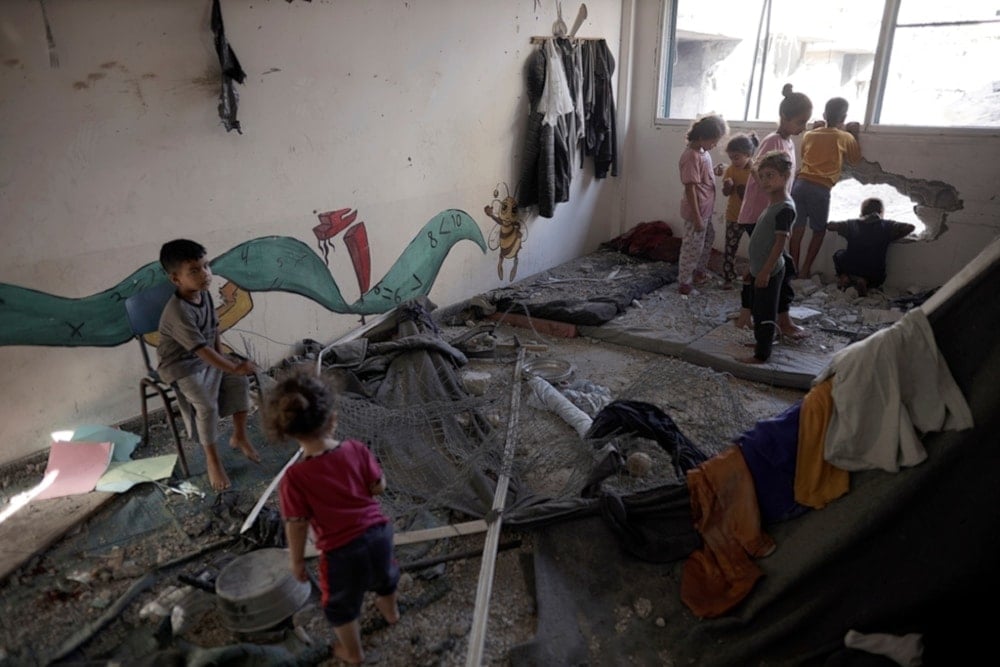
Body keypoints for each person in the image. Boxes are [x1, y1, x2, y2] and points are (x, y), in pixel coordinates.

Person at [264, 367, 400, 665]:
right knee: (386, 578)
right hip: (379, 534)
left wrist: (297, 561)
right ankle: (391, 613)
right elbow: (379, 486)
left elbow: (297, 526)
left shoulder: (294, 479)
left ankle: (353, 652)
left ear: (288, 433)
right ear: (333, 419)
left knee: (340, 606)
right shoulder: (356, 449)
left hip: (341, 553)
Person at [156, 239, 260, 491]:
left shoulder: (203, 295)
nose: (205, 274)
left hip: (205, 357)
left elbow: (213, 331)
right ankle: (212, 459)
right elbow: (201, 350)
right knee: (207, 406)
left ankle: (239, 435)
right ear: (176, 279)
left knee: (239, 381)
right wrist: (230, 366)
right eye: (194, 270)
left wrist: (228, 364)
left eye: (206, 266)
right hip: (181, 366)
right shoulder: (178, 311)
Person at [734, 83, 813, 339]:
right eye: (800, 122)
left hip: (772, 213)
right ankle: (780, 320)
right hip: (761, 215)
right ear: (784, 117)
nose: (803, 127)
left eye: (806, 122)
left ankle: (747, 315)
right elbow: (757, 172)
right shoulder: (772, 141)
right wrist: (774, 203)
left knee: (766, 267)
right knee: (779, 268)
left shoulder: (787, 142)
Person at [789, 96, 862, 278]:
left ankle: (793, 270)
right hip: (821, 189)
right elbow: (855, 159)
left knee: (797, 230)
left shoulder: (809, 134)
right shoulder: (844, 137)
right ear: (844, 118)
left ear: (823, 115)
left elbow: (804, 155)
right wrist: (855, 135)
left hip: (800, 184)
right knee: (819, 230)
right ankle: (805, 270)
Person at [738, 151, 796, 365]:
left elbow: (779, 244)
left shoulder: (785, 208)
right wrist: (752, 266)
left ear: (785, 176)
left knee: (765, 311)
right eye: (762, 176)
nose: (764, 181)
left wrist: (765, 271)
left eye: (770, 175)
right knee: (758, 308)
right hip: (760, 268)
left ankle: (762, 354)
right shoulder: (773, 204)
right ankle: (761, 342)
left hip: (769, 271)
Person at [677, 113, 728, 295]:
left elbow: (701, 176)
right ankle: (684, 282)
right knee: (692, 246)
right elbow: (690, 188)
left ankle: (699, 272)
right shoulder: (691, 156)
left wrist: (714, 172)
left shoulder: (703, 153)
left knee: (707, 239)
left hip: (705, 209)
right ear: (701, 137)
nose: (714, 145)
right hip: (696, 211)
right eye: (713, 141)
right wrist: (697, 217)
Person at [827, 197, 915, 296]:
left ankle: (845, 278)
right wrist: (892, 236)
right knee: (878, 277)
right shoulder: (887, 226)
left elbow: (831, 226)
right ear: (880, 211)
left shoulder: (852, 224)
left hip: (852, 267)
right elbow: (910, 227)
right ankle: (864, 282)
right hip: (875, 272)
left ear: (862, 212)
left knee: (839, 255)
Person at [717, 133, 759, 289]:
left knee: (757, 248)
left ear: (748, 155)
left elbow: (761, 193)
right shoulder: (731, 170)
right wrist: (727, 186)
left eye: (736, 157)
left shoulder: (755, 171)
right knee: (730, 249)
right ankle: (729, 278)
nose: (734, 161)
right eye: (731, 158)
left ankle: (755, 276)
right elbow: (726, 193)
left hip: (753, 217)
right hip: (734, 216)